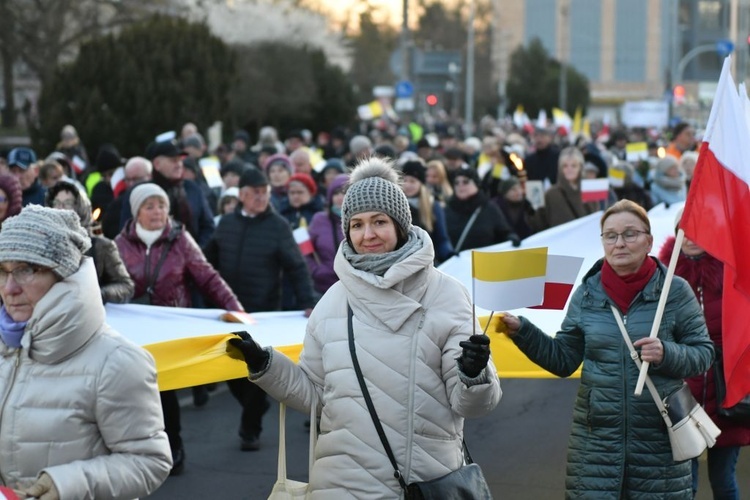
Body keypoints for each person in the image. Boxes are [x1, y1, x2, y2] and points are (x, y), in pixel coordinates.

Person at [226, 157, 501, 496]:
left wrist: (474, 374)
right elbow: (314, 395)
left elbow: (472, 406)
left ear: (400, 224)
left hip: (421, 483)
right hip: (341, 483)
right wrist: (265, 365)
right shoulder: (331, 302)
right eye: (356, 225)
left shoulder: (448, 295)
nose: (367, 234)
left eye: (379, 222)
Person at [500, 200, 714, 498]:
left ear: (649, 240)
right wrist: (524, 331)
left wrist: (667, 353)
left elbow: (703, 354)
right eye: (610, 235)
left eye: (630, 234)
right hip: (596, 445)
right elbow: (563, 360)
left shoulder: (674, 291)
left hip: (658, 444)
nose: (619, 243)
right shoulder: (587, 293)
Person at [0, 205, 171, 498]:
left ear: (62, 275)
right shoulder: (6, 346)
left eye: (25, 270)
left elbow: (150, 461)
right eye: (2, 271)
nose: (9, 287)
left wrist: (67, 485)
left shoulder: (117, 361)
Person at [115, 183, 243, 475]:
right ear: (137, 212)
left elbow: (208, 277)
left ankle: (173, 446)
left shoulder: (181, 239)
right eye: (149, 206)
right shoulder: (119, 244)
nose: (157, 211)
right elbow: (105, 284)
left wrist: (235, 309)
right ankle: (133, 450)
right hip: (131, 332)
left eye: (161, 205)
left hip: (167, 330)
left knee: (164, 392)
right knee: (132, 393)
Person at [204, 167, 317, 451]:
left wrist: (307, 301)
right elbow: (207, 263)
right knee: (230, 369)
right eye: (256, 193)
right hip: (227, 310)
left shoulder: (277, 226)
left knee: (255, 366)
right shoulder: (226, 223)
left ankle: (249, 429)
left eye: (265, 193)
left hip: (262, 311)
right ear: (241, 195)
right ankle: (257, 405)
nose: (262, 198)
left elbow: (296, 266)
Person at [659, 211, 750, 499]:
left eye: (699, 229)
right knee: (685, 481)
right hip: (683, 393)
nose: (692, 238)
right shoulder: (663, 278)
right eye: (684, 231)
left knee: (723, 480)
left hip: (726, 394)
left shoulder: (735, 272)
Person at [46, 181, 134, 304]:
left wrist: (100, 294)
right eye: (56, 203)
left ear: (81, 208)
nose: (60, 208)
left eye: (68, 203)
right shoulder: (43, 244)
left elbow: (125, 286)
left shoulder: (101, 246)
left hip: (90, 315)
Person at [443, 166, 516, 252]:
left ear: (476, 184)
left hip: (484, 262)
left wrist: (511, 237)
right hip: (455, 263)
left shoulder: (489, 208)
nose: (460, 185)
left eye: (465, 182)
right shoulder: (448, 209)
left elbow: (503, 232)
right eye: (456, 182)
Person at [401, 160, 454, 263]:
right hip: (402, 263)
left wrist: (449, 253)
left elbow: (441, 239)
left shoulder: (433, 205)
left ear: (421, 183)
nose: (407, 185)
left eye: (412, 181)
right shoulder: (395, 205)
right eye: (405, 180)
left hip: (427, 263)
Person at [537, 146, 599, 229]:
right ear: (560, 168)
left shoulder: (590, 190)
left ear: (580, 168)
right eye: (565, 166)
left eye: (573, 166)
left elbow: (595, 220)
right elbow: (541, 224)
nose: (569, 169)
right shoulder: (550, 194)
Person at [306, 173, 348, 295]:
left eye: (343, 192)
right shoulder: (319, 220)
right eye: (336, 193)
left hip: (353, 288)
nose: (340, 197)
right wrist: (316, 270)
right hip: (322, 288)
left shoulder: (359, 221)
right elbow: (305, 251)